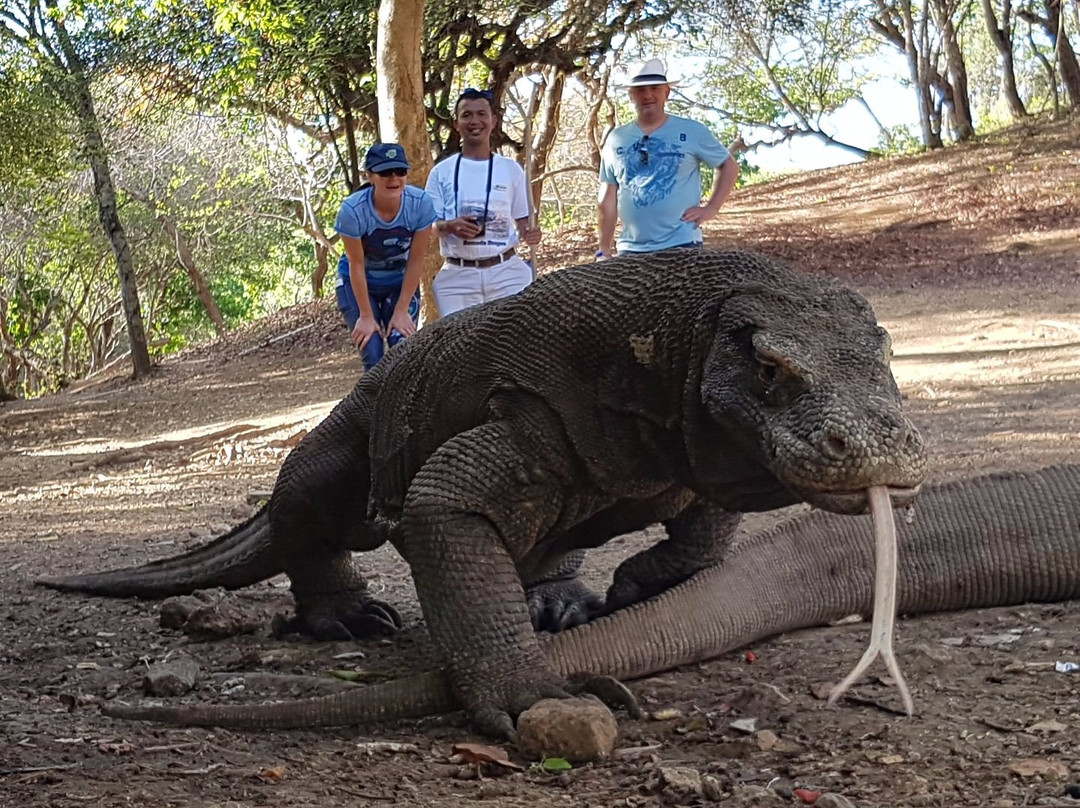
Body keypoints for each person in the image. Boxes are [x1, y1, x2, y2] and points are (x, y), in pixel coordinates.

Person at [597, 58, 739, 258]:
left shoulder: (692, 131)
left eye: (654, 88)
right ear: (631, 95)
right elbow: (607, 197)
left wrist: (711, 208)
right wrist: (604, 247)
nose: (648, 95)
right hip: (630, 250)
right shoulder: (616, 139)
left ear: (667, 92)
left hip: (681, 244)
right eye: (640, 90)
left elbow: (728, 166)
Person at [425, 88, 543, 316]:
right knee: (460, 345)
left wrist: (530, 232)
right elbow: (428, 228)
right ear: (456, 123)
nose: (474, 121)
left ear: (493, 121)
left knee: (515, 340)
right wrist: (450, 226)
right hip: (457, 277)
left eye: (481, 114)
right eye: (466, 115)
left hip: (506, 272)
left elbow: (523, 221)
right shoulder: (441, 173)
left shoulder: (511, 170)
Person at [334, 142, 437, 371]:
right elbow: (356, 264)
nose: (394, 179)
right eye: (385, 172)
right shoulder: (352, 211)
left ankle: (407, 407)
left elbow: (417, 259)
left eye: (400, 172)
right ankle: (374, 406)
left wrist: (401, 311)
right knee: (372, 352)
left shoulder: (420, 204)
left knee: (403, 348)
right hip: (359, 283)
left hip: (399, 282)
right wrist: (366, 316)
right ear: (370, 175)